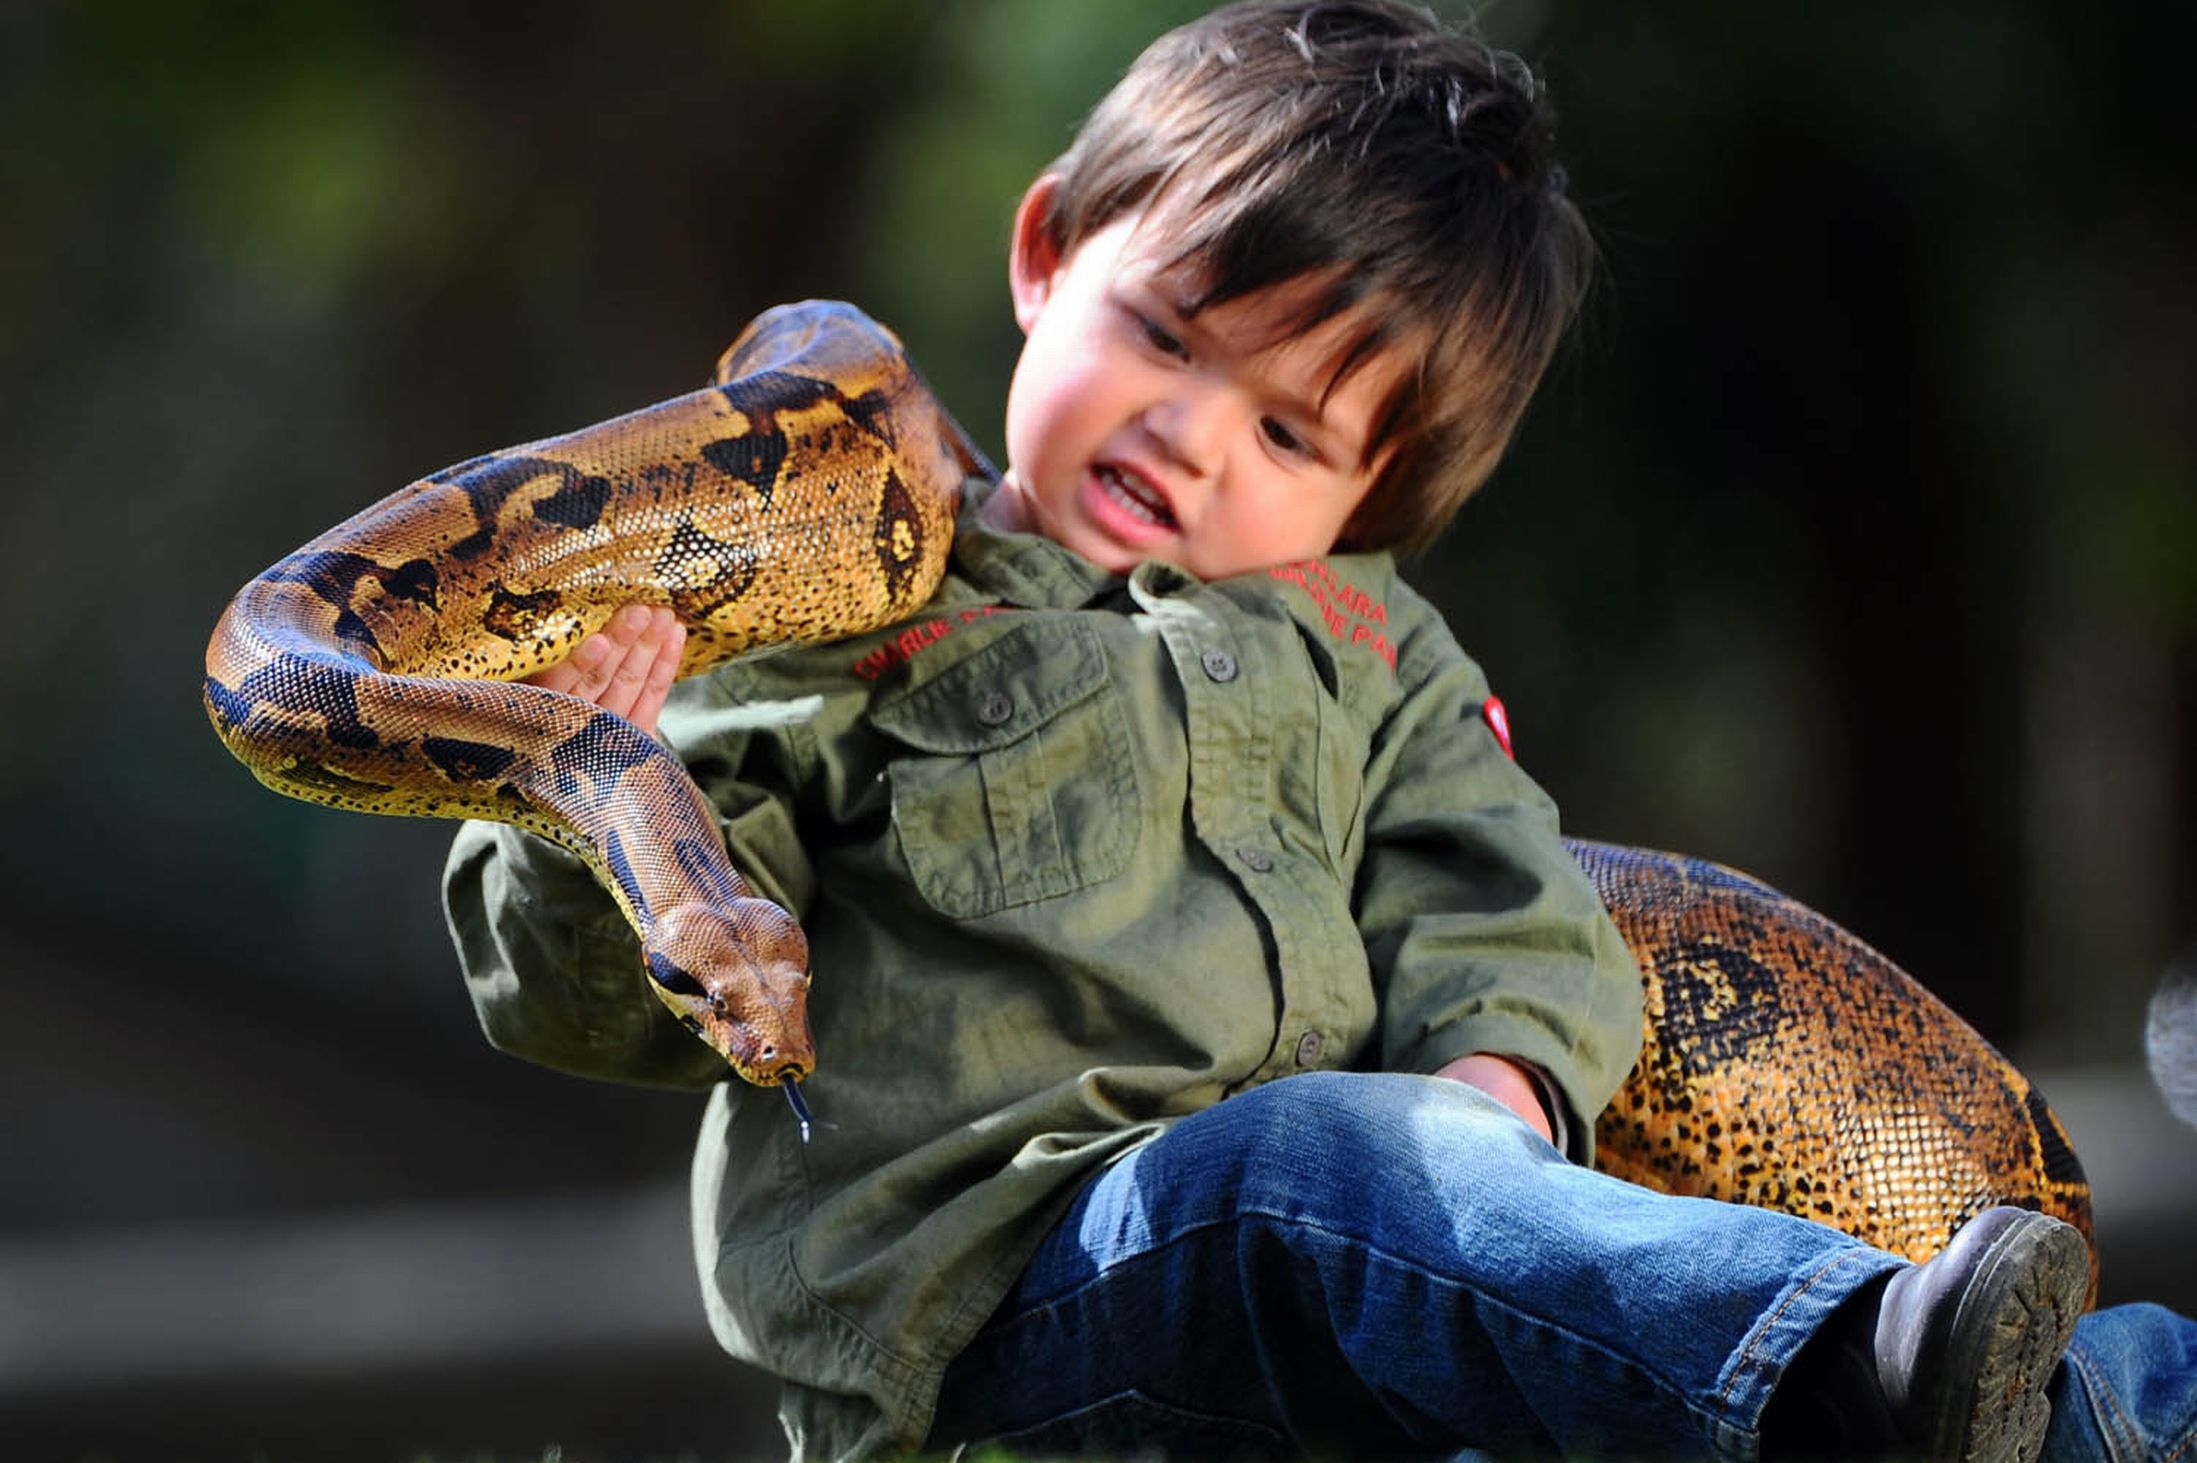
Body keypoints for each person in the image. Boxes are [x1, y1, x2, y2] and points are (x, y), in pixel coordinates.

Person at [441, 3, 2195, 1459]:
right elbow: (615, 998)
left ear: (1379, 493)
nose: (1196, 438)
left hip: (1347, 1299)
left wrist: (1489, 1099)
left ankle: (2114, 1415)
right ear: (1047, 252)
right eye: (1165, 339)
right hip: (993, 1312)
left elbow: (1502, 904)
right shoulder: (832, 598)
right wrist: (588, 768)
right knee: (1310, 1170)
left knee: (1390, 1195)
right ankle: (1841, 1388)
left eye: (1292, 436)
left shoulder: (1377, 652)